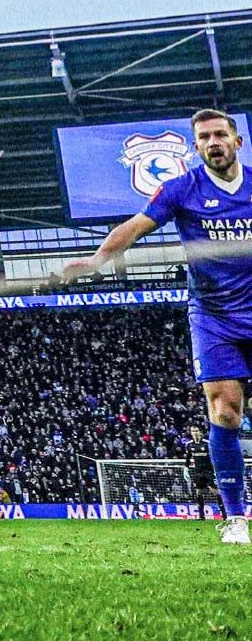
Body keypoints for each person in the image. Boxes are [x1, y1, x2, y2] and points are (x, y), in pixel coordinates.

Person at [63, 109, 252, 543]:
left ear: (237, 141)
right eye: (204, 137)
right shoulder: (181, 189)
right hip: (215, 316)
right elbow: (135, 226)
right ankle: (238, 519)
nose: (213, 143)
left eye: (220, 134)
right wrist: (97, 260)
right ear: (196, 146)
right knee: (224, 411)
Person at [186, 423, 215, 521]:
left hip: (209, 471)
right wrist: (186, 468)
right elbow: (188, 458)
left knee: (216, 492)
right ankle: (201, 516)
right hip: (198, 472)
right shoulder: (189, 445)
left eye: (196, 431)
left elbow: (214, 457)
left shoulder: (207, 443)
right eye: (192, 431)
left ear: (200, 433)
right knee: (199, 493)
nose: (194, 433)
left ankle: (224, 515)